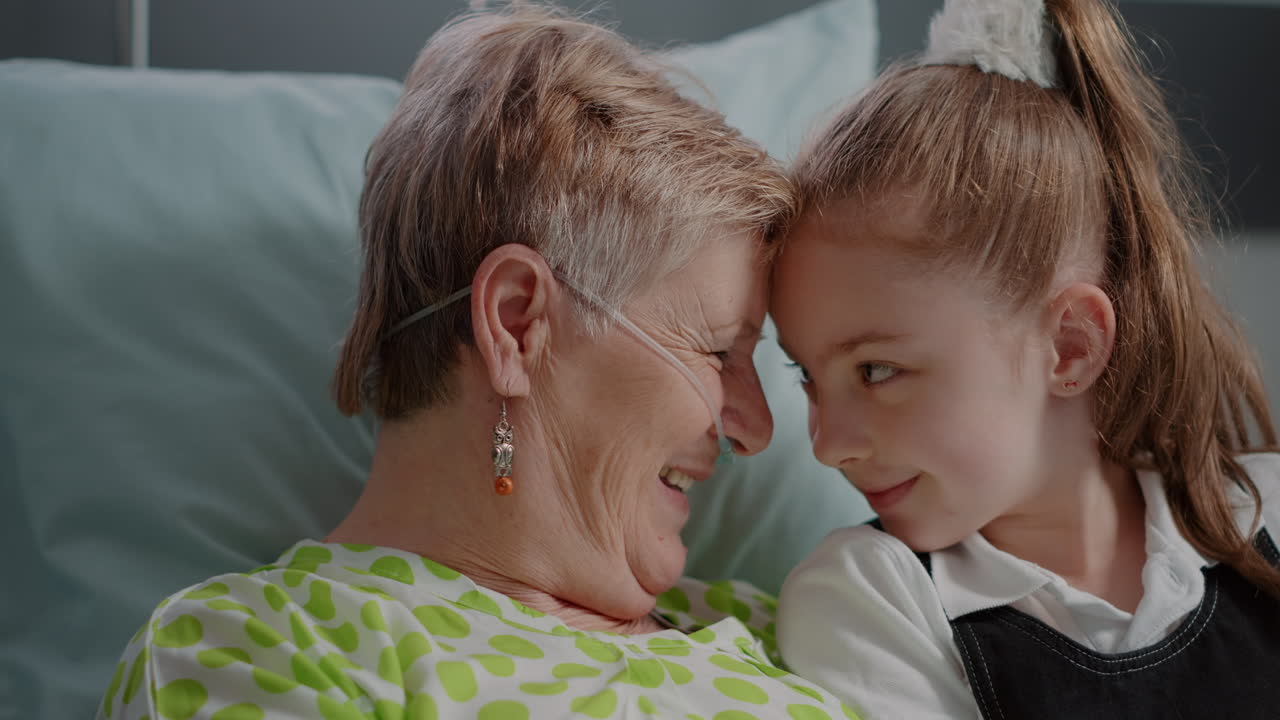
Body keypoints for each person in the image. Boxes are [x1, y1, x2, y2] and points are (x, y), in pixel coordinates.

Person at [97, 4, 863, 720]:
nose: (757, 429)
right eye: (719, 352)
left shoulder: (809, 627)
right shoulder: (254, 648)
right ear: (517, 324)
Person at [770, 0, 1280, 717]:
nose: (829, 446)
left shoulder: (1265, 511)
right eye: (807, 377)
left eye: (877, 371)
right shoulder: (869, 597)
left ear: (1070, 347)